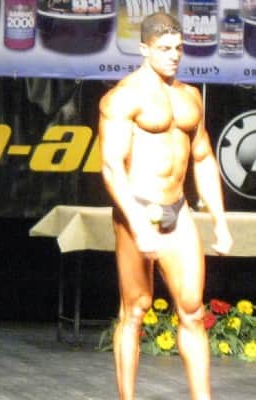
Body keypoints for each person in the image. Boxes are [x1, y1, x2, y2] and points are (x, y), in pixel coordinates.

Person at [98, 12, 233, 400]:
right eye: (164, 48)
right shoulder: (123, 97)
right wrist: (139, 225)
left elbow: (203, 158)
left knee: (192, 309)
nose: (174, 55)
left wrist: (220, 222)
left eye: (178, 48)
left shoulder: (190, 97)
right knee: (135, 309)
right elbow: (111, 166)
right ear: (144, 49)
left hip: (178, 209)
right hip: (137, 208)